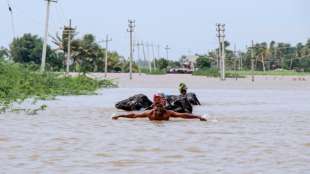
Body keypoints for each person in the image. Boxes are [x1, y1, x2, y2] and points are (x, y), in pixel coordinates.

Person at [112, 94, 206, 121]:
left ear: (163, 106)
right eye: (157, 106)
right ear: (154, 106)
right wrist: (120, 116)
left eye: (160, 106)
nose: (158, 109)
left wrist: (198, 117)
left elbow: (183, 115)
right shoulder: (150, 113)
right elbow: (134, 116)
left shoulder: (167, 113)